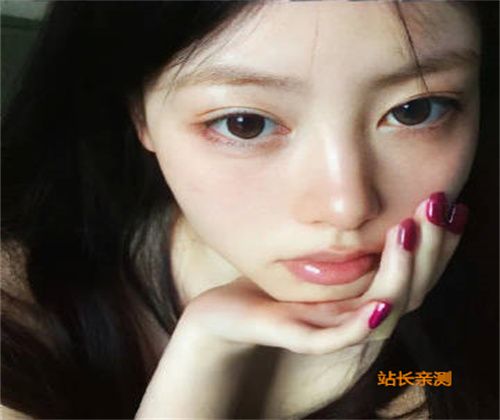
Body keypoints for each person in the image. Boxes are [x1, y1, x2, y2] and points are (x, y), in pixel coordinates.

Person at [1, 1, 498, 418]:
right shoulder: (19, 323)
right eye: (245, 123)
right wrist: (207, 376)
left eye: (416, 110)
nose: (346, 207)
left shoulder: (456, 347)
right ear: (139, 113)